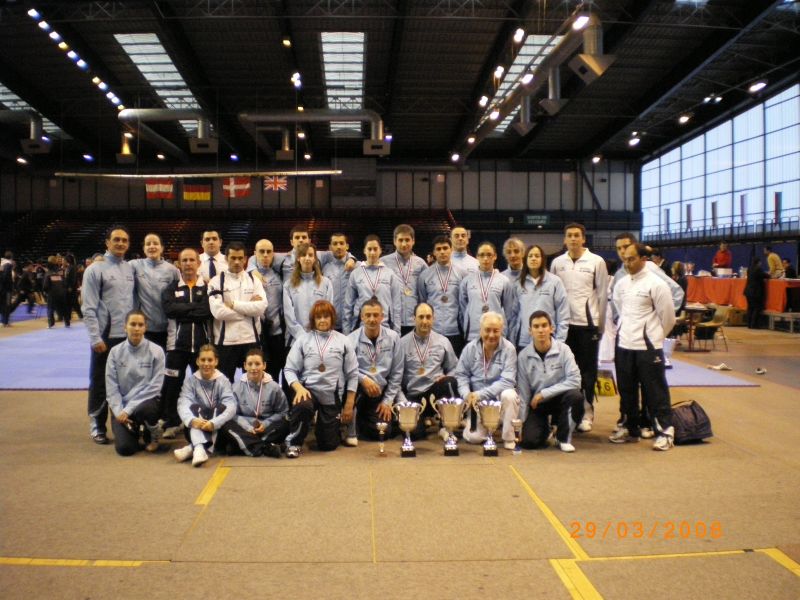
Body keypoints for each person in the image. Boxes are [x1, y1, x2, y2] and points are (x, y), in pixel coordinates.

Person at [610, 243, 676, 451]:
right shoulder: (621, 284)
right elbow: (620, 309)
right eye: (624, 260)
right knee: (626, 391)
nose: (627, 263)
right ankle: (630, 428)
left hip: (648, 347)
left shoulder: (657, 284)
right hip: (624, 345)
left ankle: (665, 432)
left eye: (631, 259)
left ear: (643, 259)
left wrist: (655, 337)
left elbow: (668, 318)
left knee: (655, 391)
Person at [550, 223, 609, 433]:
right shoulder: (557, 263)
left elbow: (602, 295)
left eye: (577, 235)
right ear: (564, 239)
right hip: (564, 326)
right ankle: (563, 413)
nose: (573, 239)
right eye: (570, 235)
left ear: (584, 238)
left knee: (587, 373)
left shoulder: (596, 261)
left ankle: (586, 413)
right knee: (563, 371)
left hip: (587, 325)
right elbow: (552, 294)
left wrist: (600, 326)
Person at [282, 300, 358, 457]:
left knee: (328, 445)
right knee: (303, 405)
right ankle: (294, 443)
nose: (322, 320)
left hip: (332, 395)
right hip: (308, 391)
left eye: (326, 316)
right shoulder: (303, 340)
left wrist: (349, 403)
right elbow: (289, 369)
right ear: (313, 320)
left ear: (332, 318)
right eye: (318, 317)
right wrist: (299, 388)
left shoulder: (344, 341)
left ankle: (330, 427)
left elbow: (352, 374)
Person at [82, 226, 136, 445]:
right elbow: (88, 307)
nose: (121, 243)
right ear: (107, 242)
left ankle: (123, 422)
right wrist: (95, 337)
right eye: (116, 239)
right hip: (105, 336)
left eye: (124, 240)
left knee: (124, 381)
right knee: (100, 381)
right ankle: (97, 423)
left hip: (127, 337)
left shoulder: (130, 268)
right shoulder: (95, 270)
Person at [161, 248, 212, 437]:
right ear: (179, 264)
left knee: (204, 386)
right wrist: (193, 308)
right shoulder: (171, 288)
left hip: (202, 348)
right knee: (172, 385)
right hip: (176, 347)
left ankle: (205, 420)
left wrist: (182, 310)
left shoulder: (207, 287)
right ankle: (172, 422)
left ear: (198, 263)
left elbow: (206, 311)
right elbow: (169, 310)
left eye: (191, 260)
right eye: (184, 260)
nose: (188, 263)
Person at [516, 311, 583, 452]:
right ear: (530, 331)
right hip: (538, 404)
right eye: (536, 326)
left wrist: (544, 393)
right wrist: (521, 423)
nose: (541, 330)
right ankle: (545, 428)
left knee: (576, 396)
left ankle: (563, 438)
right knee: (529, 442)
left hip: (561, 399)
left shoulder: (564, 350)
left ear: (551, 328)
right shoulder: (523, 356)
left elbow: (576, 380)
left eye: (544, 325)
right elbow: (524, 393)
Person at [454, 311, 518, 450]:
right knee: (473, 438)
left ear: (501, 330)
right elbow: (461, 375)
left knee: (510, 394)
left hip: (499, 400)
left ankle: (508, 437)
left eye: (496, 331)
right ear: (480, 330)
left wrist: (480, 394)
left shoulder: (509, 349)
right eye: (487, 330)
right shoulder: (470, 349)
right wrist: (466, 395)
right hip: (478, 403)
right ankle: (486, 428)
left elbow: (507, 381)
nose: (491, 335)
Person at [105, 310, 165, 456]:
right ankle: (136, 430)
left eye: (140, 325)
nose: (136, 328)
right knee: (125, 449)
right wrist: (119, 411)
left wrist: (129, 409)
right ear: (125, 327)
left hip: (145, 403)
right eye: (133, 324)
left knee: (145, 409)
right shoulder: (115, 352)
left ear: (145, 327)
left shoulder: (156, 351)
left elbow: (155, 387)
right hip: (122, 406)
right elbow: (111, 387)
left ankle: (153, 431)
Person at [345, 299, 403, 445]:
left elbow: (397, 373)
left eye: (376, 315)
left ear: (382, 317)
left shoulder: (393, 338)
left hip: (380, 392)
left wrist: (387, 401)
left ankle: (362, 419)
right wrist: (363, 378)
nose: (372, 319)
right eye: (368, 315)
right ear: (361, 317)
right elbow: (346, 369)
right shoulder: (350, 340)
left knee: (383, 432)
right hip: (359, 390)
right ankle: (354, 419)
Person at [208, 242, 268, 382]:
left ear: (245, 259)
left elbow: (261, 308)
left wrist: (233, 305)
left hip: (251, 340)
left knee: (254, 383)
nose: (237, 262)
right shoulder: (216, 282)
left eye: (240, 258)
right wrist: (249, 309)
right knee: (224, 385)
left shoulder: (254, 280)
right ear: (226, 258)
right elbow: (218, 313)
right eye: (233, 258)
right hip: (225, 342)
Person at [398, 303, 459, 439]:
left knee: (449, 382)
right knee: (413, 435)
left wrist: (446, 376)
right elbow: (396, 377)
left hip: (435, 393)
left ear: (433, 319)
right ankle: (423, 421)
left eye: (428, 317)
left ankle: (446, 427)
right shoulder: (402, 344)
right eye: (421, 317)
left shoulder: (443, 342)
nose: (425, 321)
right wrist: (404, 403)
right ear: (414, 319)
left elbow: (455, 368)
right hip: (414, 396)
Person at [174, 344, 237, 467]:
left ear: (216, 361)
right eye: (203, 360)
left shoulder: (223, 381)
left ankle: (194, 448)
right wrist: (191, 420)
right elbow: (183, 403)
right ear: (197, 361)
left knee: (222, 408)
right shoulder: (190, 381)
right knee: (193, 407)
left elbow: (231, 406)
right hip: (196, 426)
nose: (206, 363)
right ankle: (199, 448)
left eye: (210, 360)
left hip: (216, 428)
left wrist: (214, 423)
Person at [220, 348, 288, 458]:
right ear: (245, 366)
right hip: (244, 428)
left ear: (264, 365)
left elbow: (282, 413)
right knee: (224, 422)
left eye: (257, 364)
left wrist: (265, 424)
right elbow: (232, 414)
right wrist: (247, 427)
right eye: (250, 364)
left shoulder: (274, 387)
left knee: (286, 424)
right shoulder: (236, 388)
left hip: (266, 428)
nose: (253, 368)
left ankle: (242, 445)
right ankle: (265, 447)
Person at [508, 244, 569, 350]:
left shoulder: (555, 282)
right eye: (530, 256)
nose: (533, 259)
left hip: (548, 340)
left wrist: (560, 341)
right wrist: (512, 341)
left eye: (537, 256)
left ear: (542, 259)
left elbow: (563, 313)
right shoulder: (518, 284)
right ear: (525, 260)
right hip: (524, 341)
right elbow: (513, 315)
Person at [417, 235, 466, 356]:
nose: (442, 252)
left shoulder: (462, 274)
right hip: (433, 331)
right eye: (438, 249)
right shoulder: (425, 275)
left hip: (455, 331)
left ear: (451, 249)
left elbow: (464, 303)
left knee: (454, 365)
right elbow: (423, 302)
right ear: (434, 252)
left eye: (445, 248)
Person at [344, 234, 402, 334]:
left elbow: (397, 306)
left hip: (385, 327)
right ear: (364, 250)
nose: (372, 252)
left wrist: (397, 332)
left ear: (380, 250)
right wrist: (346, 333)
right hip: (361, 327)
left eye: (375, 249)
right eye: (369, 249)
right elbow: (348, 305)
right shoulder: (355, 274)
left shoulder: (390, 274)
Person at [129, 233, 179, 348]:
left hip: (166, 328)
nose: (152, 246)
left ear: (162, 248)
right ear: (143, 248)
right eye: (148, 244)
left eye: (155, 243)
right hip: (143, 328)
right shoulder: (134, 265)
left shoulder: (172, 270)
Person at [459, 241, 515, 342]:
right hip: (473, 334)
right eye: (482, 255)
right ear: (477, 257)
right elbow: (463, 308)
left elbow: (509, 313)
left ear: (495, 256)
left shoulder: (504, 281)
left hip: (496, 334)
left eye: (489, 255)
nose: (485, 258)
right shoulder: (467, 281)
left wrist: (505, 334)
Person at [283, 242, 334, 346]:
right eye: (303, 255)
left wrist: (318, 334)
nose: (307, 258)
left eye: (310, 255)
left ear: (315, 258)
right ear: (298, 258)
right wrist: (302, 336)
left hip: (320, 338)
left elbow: (328, 312)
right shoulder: (288, 285)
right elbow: (289, 316)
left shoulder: (326, 283)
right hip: (296, 340)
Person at [248, 239, 285, 381]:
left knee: (276, 370)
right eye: (261, 252)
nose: (265, 255)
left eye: (268, 252)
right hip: (257, 333)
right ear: (255, 254)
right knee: (258, 372)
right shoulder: (248, 276)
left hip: (277, 332)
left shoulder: (279, 275)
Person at [383, 224, 428, 336]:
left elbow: (427, 290)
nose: (404, 244)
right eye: (400, 240)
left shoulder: (420, 263)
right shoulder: (384, 262)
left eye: (407, 240)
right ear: (394, 241)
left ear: (413, 241)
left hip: (414, 319)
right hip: (391, 320)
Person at [322, 232, 352, 331]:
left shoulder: (357, 267)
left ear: (347, 246)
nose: (338, 247)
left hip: (352, 322)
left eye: (341, 243)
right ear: (330, 247)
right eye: (335, 244)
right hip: (331, 322)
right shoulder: (324, 269)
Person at [43, 255, 68, 328]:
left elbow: (45, 285)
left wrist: (45, 291)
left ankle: (51, 324)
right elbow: (64, 282)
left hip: (52, 294)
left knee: (50, 308)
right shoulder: (60, 271)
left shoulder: (48, 272)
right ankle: (67, 322)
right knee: (63, 308)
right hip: (61, 293)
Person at [744, 258, 769, 329]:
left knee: (750, 308)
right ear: (759, 263)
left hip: (748, 291)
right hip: (755, 292)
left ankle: (749, 324)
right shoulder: (758, 269)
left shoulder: (749, 269)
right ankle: (754, 324)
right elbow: (766, 276)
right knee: (756, 308)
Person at [0, 251, 14, 327]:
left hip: (2, 288)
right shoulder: (8, 264)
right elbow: (5, 277)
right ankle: (6, 322)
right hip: (7, 288)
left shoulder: (1, 263)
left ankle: (3, 321)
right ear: (11, 257)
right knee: (7, 305)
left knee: (2, 304)